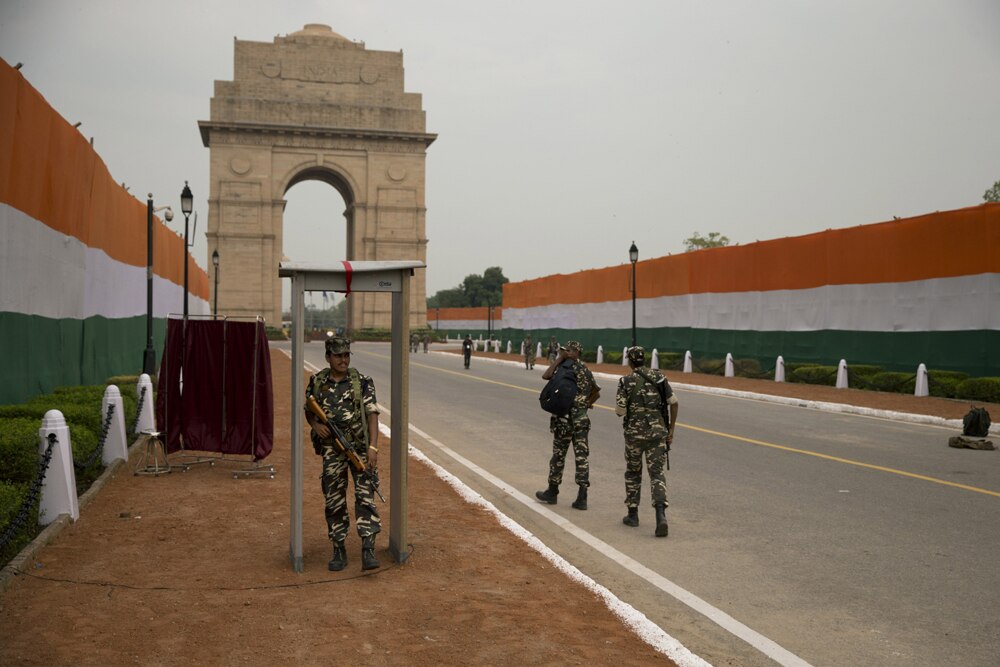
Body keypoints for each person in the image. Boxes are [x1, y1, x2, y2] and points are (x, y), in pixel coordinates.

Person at [305, 337, 382, 571]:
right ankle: (338, 549)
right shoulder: (317, 382)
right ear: (328, 357)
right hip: (332, 450)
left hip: (359, 449)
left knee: (365, 497)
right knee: (334, 500)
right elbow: (308, 408)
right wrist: (315, 425)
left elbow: (372, 415)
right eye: (338, 356)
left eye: (346, 355)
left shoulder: (362, 382)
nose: (343, 359)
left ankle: (368, 550)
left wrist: (373, 447)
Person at [615, 346, 678, 537]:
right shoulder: (659, 377)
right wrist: (671, 429)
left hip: (634, 436)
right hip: (658, 433)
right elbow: (674, 403)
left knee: (633, 472)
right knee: (657, 474)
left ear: (630, 361)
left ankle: (633, 515)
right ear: (644, 359)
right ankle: (660, 516)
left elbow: (620, 411)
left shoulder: (625, 381)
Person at [535, 341, 600, 510]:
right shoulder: (585, 370)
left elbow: (546, 376)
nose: (565, 353)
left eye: (567, 351)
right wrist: (586, 404)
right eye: (564, 351)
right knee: (581, 457)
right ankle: (582, 497)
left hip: (564, 420)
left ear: (576, 352)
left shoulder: (563, 368)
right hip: (581, 420)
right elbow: (596, 392)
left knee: (558, 455)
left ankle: (552, 492)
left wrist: (558, 359)